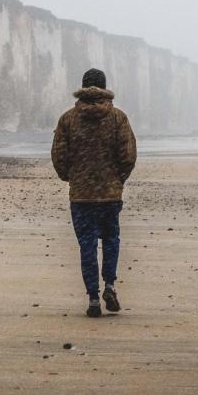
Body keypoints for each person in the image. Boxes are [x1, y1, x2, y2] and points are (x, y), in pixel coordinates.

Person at [51, 68, 138, 317]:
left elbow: (59, 155)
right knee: (111, 239)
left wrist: (70, 177)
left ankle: (92, 299)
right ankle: (109, 285)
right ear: (105, 87)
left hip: (81, 195)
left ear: (83, 87)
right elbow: (128, 155)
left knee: (86, 245)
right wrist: (118, 179)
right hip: (110, 194)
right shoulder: (118, 118)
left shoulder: (68, 119)